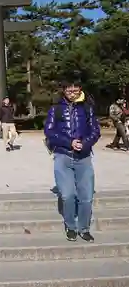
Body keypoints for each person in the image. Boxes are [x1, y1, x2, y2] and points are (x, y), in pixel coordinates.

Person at [44, 80, 100, 242]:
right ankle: (70, 226)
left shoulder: (87, 108)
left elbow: (95, 131)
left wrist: (85, 143)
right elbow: (49, 131)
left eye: (75, 90)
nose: (72, 93)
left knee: (86, 196)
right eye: (69, 90)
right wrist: (69, 142)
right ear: (64, 91)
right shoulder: (56, 109)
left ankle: (84, 228)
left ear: (80, 89)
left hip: (84, 157)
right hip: (63, 156)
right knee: (68, 195)